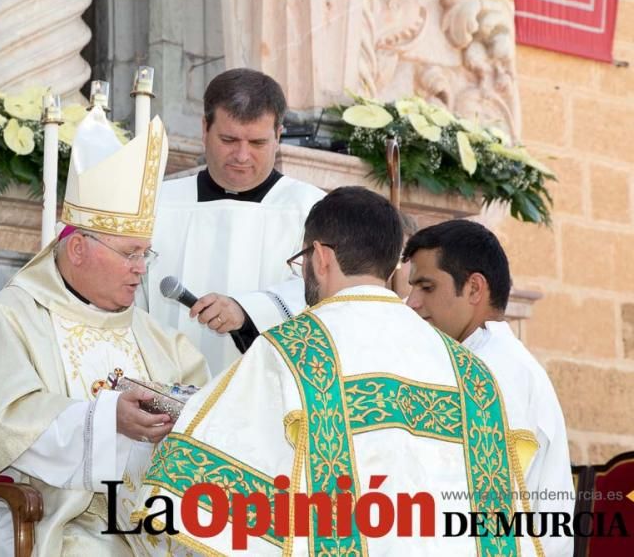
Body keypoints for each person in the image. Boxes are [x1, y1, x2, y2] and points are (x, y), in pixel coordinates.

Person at [133, 187, 541, 556]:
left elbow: (192, 489)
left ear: (321, 257)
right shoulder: (469, 371)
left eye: (303, 261)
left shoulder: (295, 349)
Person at [0, 111, 209, 556]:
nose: (141, 270)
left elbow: (206, 409)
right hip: (41, 511)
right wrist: (108, 420)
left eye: (146, 254)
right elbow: (1, 426)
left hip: (148, 517)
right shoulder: (13, 317)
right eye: (130, 253)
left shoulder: (156, 336)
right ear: (77, 248)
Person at [403, 218, 574, 557]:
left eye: (426, 287)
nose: (411, 303)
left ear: (474, 289)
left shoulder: (493, 375)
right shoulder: (477, 362)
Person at [145, 68, 324, 374]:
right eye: (229, 139)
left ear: (278, 136)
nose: (242, 156)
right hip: (164, 386)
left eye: (257, 143)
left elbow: (325, 293)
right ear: (204, 128)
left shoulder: (310, 208)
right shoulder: (157, 203)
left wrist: (248, 310)